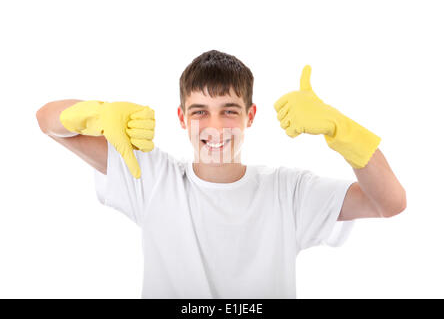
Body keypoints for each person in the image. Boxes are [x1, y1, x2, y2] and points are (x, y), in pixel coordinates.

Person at [36, 50, 406, 298]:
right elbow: (47, 121)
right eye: (200, 111)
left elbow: (389, 202)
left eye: (229, 110)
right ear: (181, 118)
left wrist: (341, 130)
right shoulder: (150, 177)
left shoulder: (288, 191)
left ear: (250, 115)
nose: (215, 126)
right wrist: (97, 113)